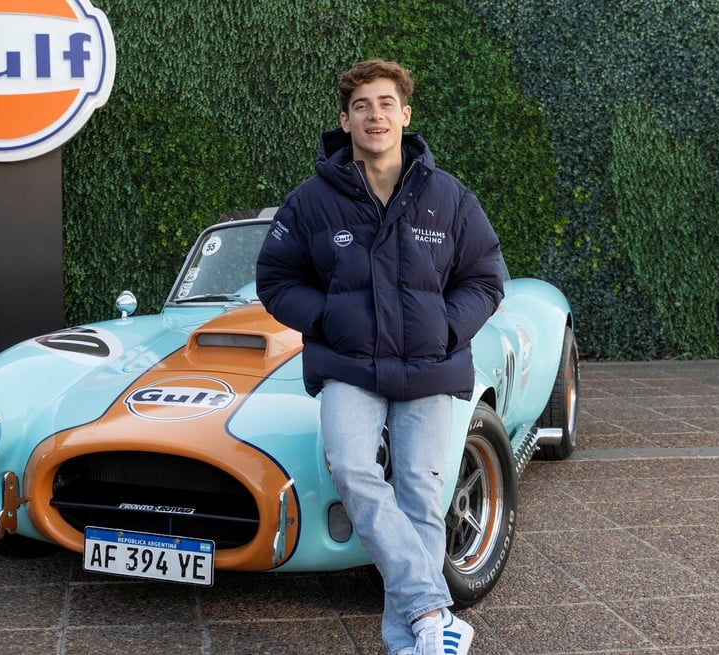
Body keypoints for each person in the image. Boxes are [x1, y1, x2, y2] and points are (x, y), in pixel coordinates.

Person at [255, 59, 505, 655]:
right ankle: (433, 611)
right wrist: (329, 320)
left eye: (386, 103)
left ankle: (411, 641)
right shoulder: (311, 201)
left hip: (430, 366)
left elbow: (485, 277)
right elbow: (275, 279)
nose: (375, 115)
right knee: (352, 469)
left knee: (420, 493)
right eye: (361, 105)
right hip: (349, 365)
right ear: (345, 121)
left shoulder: (449, 197)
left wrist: (445, 328)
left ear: (405, 115)